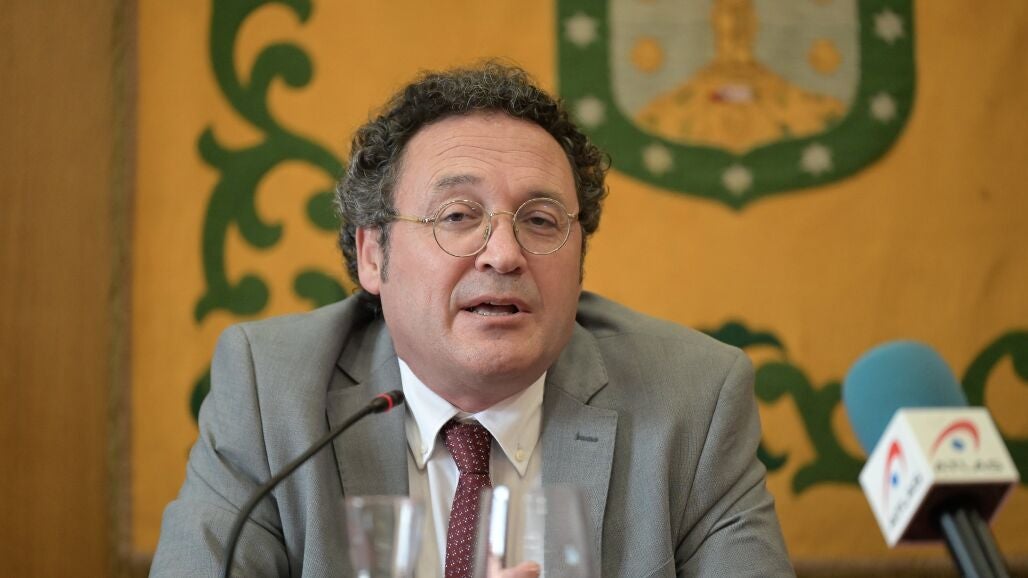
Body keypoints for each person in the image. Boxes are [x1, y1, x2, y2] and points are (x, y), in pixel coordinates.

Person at [150, 62, 794, 577]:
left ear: (579, 260)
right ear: (373, 255)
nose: (505, 254)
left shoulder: (692, 402)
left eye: (541, 220)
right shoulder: (271, 394)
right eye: (458, 216)